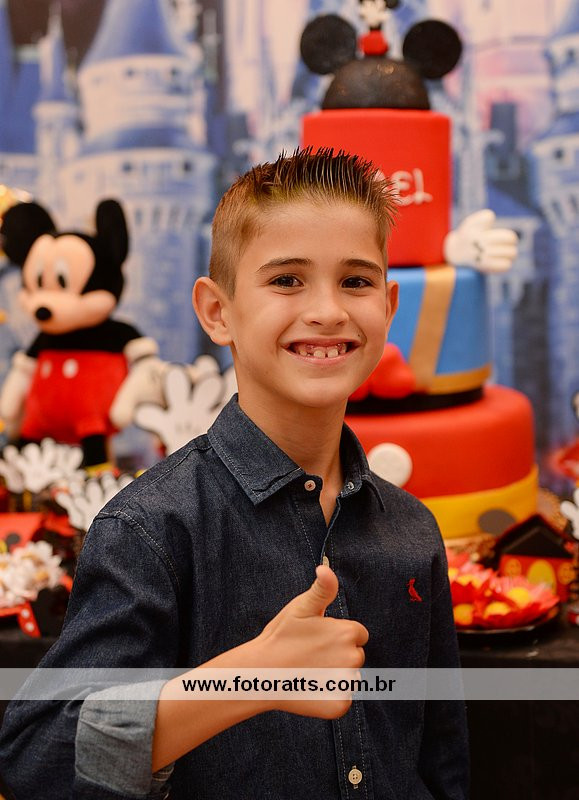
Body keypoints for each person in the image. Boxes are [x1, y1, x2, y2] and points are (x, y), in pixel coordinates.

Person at [0, 148, 469, 799]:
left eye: (356, 282)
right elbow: (37, 759)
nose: (328, 310)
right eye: (287, 280)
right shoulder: (151, 529)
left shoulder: (411, 530)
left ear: (388, 308)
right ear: (217, 311)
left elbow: (440, 758)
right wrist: (247, 678)